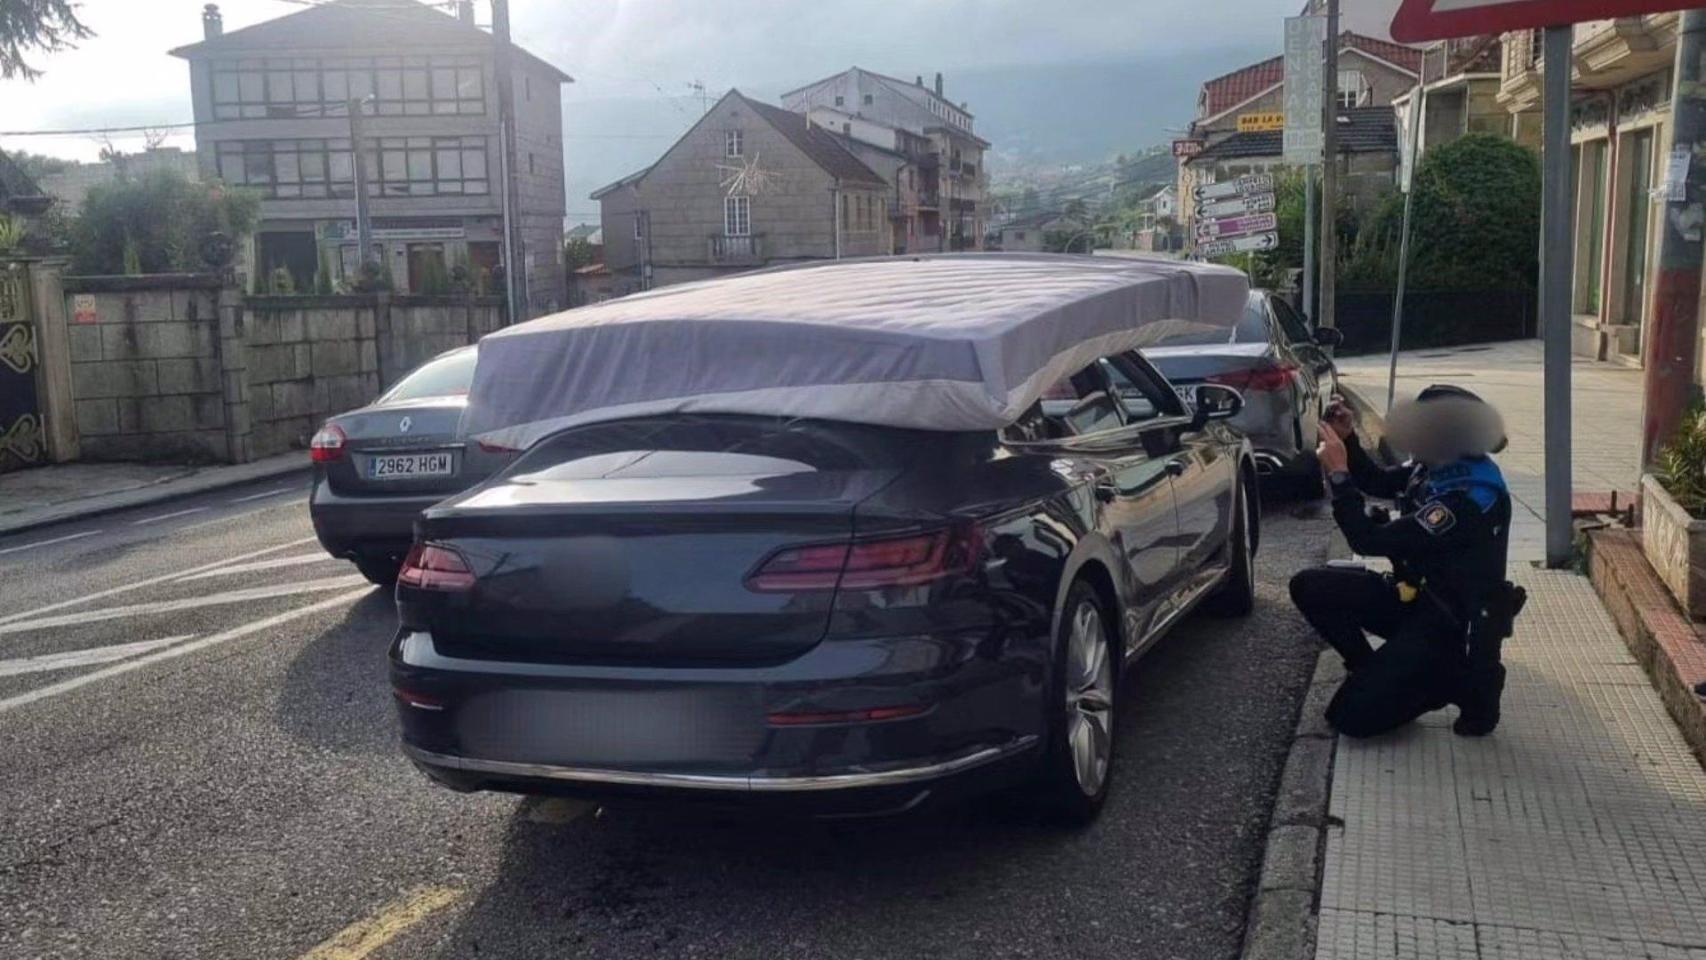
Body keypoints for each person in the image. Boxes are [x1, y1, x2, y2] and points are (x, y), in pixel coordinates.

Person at [1289, 385, 1525, 738]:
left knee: (1350, 718)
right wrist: (1349, 439)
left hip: (1446, 625)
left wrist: (1339, 476)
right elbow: (1377, 480)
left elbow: (1367, 540)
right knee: (1310, 586)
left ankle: (1459, 683)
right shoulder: (1437, 468)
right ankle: (1374, 672)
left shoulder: (1467, 498)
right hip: (1414, 600)